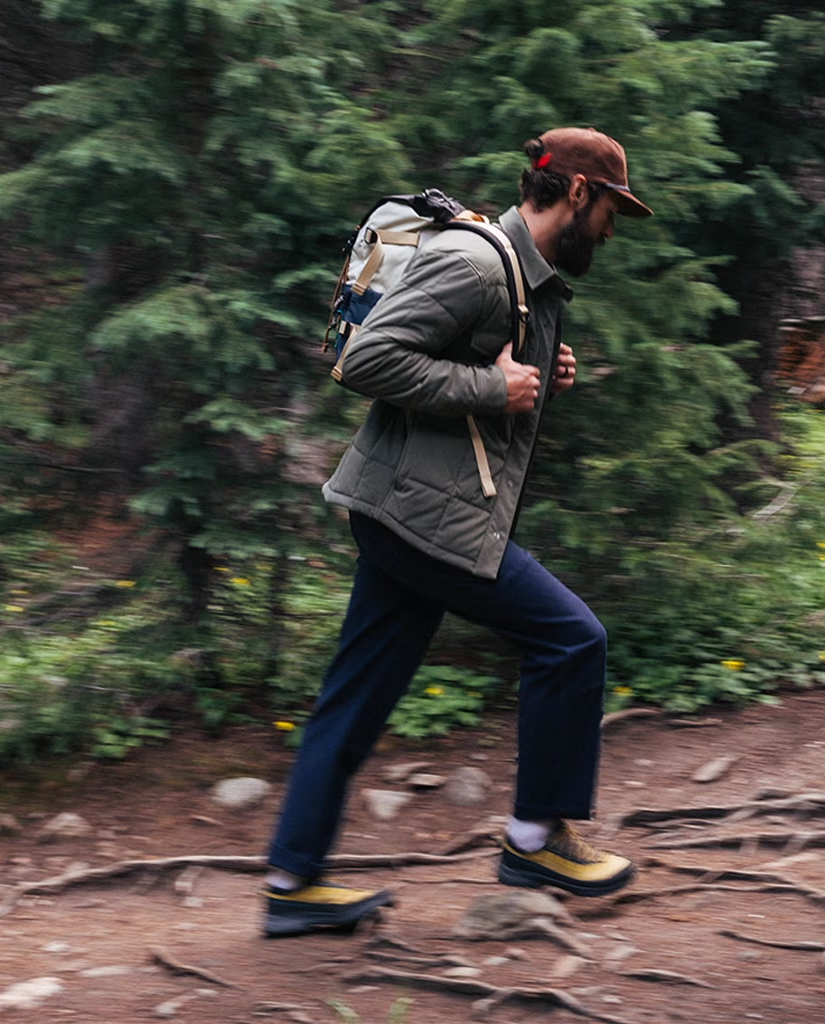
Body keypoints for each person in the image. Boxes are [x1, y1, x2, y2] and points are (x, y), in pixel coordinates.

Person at [263, 127, 654, 938]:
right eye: (611, 210)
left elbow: (476, 357)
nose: (612, 230)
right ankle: (535, 840)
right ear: (577, 192)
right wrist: (490, 388)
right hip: (423, 519)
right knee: (572, 640)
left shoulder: (523, 275)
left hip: (403, 512)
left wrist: (541, 370)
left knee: (355, 698)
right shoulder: (477, 262)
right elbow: (367, 361)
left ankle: (293, 880)